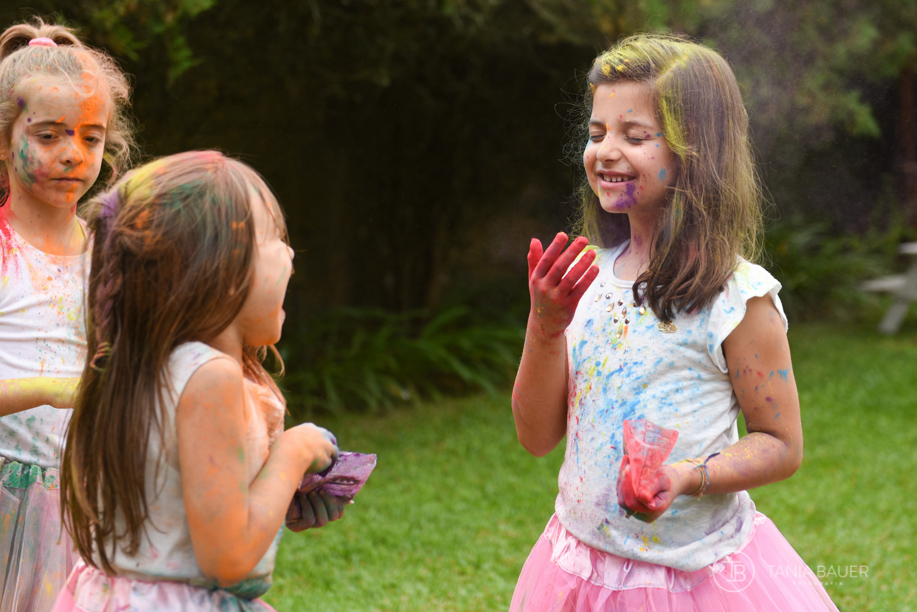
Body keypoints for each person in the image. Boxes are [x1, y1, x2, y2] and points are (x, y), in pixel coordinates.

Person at [510, 34, 839, 611]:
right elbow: (537, 438)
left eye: (634, 136)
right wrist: (545, 327)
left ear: (698, 153)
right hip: (579, 569)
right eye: (597, 133)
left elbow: (782, 445)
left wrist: (686, 476)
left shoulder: (737, 299)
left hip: (690, 581)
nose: (606, 151)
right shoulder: (590, 278)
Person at [53, 151, 346, 611]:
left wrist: (279, 492)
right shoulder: (210, 377)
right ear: (224, 270)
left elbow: (173, 507)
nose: (290, 253)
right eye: (274, 238)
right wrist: (294, 452)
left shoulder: (143, 364)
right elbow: (226, 559)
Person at [0, 18, 135, 610]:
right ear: (5, 138)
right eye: (50, 135)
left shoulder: (111, 256)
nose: (73, 154)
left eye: (90, 137)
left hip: (90, 503)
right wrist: (52, 389)